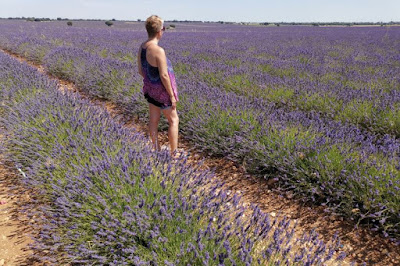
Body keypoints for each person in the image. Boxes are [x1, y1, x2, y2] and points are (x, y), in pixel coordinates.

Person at [138, 15, 180, 156]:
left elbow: (140, 70)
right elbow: (164, 75)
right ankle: (174, 154)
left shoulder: (142, 47)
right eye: (164, 28)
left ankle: (156, 150)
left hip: (150, 91)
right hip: (162, 92)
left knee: (153, 120)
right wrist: (172, 96)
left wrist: (151, 82)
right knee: (173, 120)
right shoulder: (159, 51)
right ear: (159, 31)